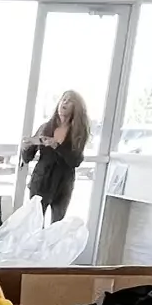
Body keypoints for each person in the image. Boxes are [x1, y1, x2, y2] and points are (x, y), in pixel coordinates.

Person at [18, 90, 90, 223]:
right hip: (41, 182)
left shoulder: (78, 132)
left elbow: (75, 161)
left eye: (69, 101)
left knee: (56, 225)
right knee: (35, 222)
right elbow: (28, 157)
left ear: (76, 107)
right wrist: (25, 146)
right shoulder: (45, 128)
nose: (65, 102)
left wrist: (56, 146)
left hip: (63, 184)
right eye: (63, 99)